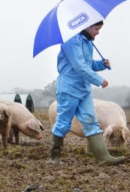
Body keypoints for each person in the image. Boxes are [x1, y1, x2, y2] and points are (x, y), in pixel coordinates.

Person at [50, 20, 124, 165]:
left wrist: (102, 65)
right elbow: (79, 66)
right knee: (63, 123)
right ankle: (54, 157)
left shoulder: (87, 42)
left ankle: (104, 158)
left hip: (83, 89)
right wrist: (98, 79)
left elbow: (88, 64)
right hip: (69, 89)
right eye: (96, 28)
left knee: (91, 121)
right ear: (87, 27)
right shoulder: (71, 41)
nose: (98, 32)